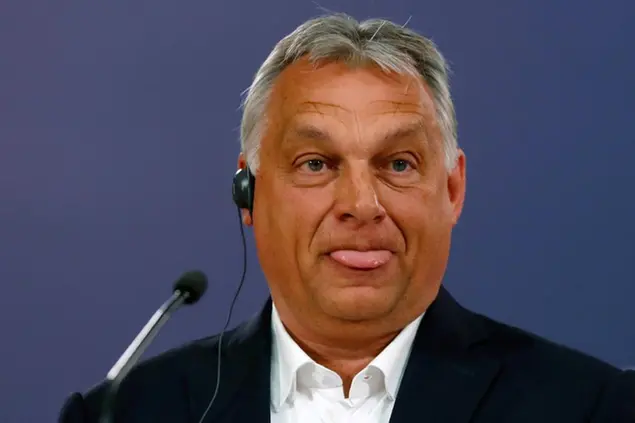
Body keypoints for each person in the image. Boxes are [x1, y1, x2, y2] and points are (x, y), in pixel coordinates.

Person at [59, 13, 635, 423]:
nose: (362, 203)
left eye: (399, 163)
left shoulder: (593, 407)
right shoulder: (126, 412)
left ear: (453, 189)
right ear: (249, 193)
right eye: (315, 163)